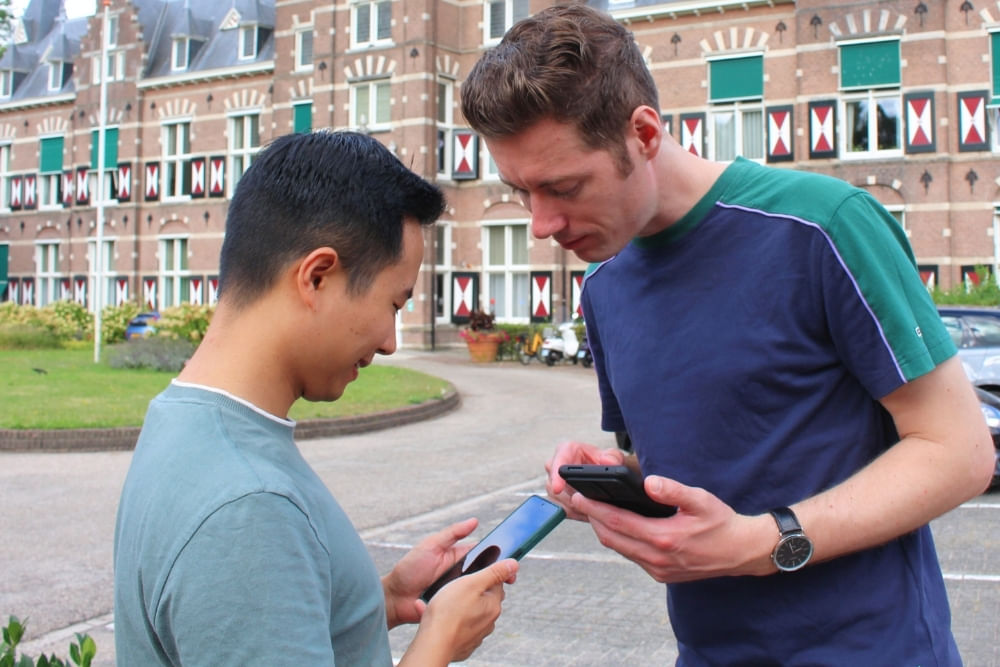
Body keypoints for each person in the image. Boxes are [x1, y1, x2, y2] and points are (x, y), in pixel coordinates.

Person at [460, 4, 994, 664]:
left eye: (562, 186)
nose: (541, 224)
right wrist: (616, 478)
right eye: (520, 191)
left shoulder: (824, 225)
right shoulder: (603, 284)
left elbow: (961, 450)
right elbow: (694, 460)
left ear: (645, 133)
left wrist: (768, 540)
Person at [113, 130, 518, 666]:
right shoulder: (246, 508)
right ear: (317, 276)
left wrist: (381, 601)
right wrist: (436, 647)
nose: (391, 341)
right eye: (394, 303)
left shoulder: (182, 422)